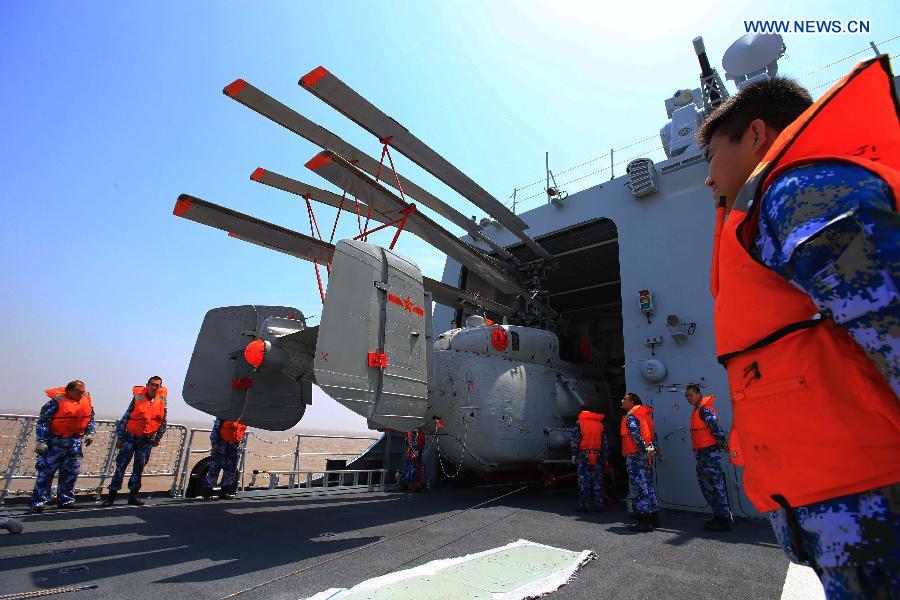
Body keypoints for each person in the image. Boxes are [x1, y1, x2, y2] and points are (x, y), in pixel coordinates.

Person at [698, 58, 899, 598]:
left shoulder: (798, 193)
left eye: (712, 155)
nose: (709, 176)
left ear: (756, 134)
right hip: (854, 499)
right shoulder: (785, 199)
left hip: (874, 505)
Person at [29, 381, 95, 513]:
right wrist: (41, 441)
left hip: (74, 444)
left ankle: (66, 501)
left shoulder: (85, 402)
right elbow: (43, 422)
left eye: (83, 392)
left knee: (71, 473)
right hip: (54, 444)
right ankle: (38, 502)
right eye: (78, 392)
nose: (81, 395)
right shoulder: (55, 403)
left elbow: (90, 418)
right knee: (45, 473)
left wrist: (89, 433)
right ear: (69, 391)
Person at [102, 376, 168, 506]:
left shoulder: (162, 401)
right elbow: (126, 416)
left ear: (160, 387)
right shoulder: (138, 398)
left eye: (157, 385)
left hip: (147, 440)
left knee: (139, 469)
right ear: (147, 385)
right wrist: (120, 437)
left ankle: (133, 497)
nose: (154, 387)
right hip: (130, 437)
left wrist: (158, 438)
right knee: (120, 467)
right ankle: (111, 498)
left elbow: (163, 421)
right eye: (152, 384)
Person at [685, 384, 731, 531]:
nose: (688, 398)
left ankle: (724, 519)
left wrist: (722, 443)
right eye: (686, 396)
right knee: (707, 485)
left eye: (690, 395)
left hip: (710, 454)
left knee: (716, 485)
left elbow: (716, 428)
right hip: (702, 455)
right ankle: (719, 515)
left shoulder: (705, 410)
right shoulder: (697, 409)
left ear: (699, 394)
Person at [620, 393, 659, 532]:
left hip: (636, 457)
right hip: (645, 458)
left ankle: (644, 520)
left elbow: (636, 437)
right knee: (648, 486)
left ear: (632, 403)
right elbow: (652, 438)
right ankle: (653, 517)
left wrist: (643, 452)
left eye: (625, 399)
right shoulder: (645, 417)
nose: (622, 401)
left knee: (640, 487)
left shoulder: (632, 417)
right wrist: (650, 454)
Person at [570, 406, 608, 512]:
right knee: (597, 480)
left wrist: (574, 454)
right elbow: (604, 443)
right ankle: (598, 505)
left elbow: (575, 440)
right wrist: (605, 457)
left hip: (583, 455)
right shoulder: (599, 425)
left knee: (583, 480)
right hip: (597, 455)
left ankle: (584, 505)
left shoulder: (579, 423)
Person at [202, 418, 247, 500]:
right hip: (221, 445)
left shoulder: (244, 418)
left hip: (234, 447)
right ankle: (207, 492)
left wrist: (240, 445)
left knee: (230, 471)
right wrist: (215, 444)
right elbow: (216, 429)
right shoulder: (224, 416)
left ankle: (224, 492)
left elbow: (242, 432)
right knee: (214, 469)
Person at [399, 426, 426, 491]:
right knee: (414, 468)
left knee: (409, 467)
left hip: (411, 453)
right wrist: (415, 450)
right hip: (415, 453)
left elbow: (408, 442)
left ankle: (407, 483)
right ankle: (409, 483)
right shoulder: (416, 430)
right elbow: (414, 441)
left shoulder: (411, 430)